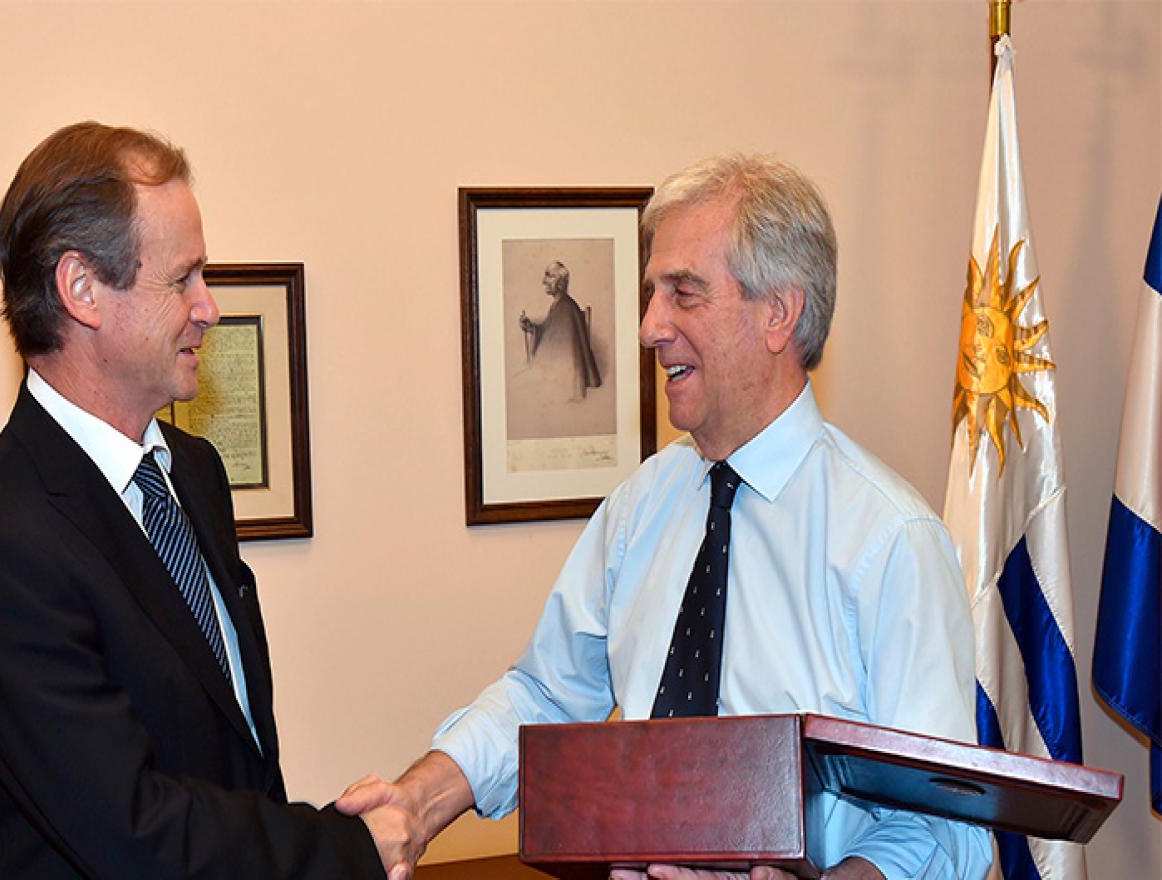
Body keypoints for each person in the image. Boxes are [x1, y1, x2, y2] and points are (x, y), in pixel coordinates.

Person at [337, 155, 992, 880]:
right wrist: (418, 803)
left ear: (779, 312)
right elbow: (546, 694)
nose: (649, 328)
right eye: (651, 296)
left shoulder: (890, 542)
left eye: (684, 294)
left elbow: (947, 828)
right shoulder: (641, 507)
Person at [0, 122, 420, 879]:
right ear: (82, 289)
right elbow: (131, 834)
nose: (210, 307)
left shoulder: (191, 472)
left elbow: (235, 754)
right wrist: (339, 851)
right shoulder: (1, 544)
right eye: (183, 279)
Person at [518, 261, 602, 399]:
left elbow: (555, 350)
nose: (543, 281)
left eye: (549, 276)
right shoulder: (559, 305)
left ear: (561, 282)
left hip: (563, 384)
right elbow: (549, 332)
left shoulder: (565, 308)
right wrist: (532, 327)